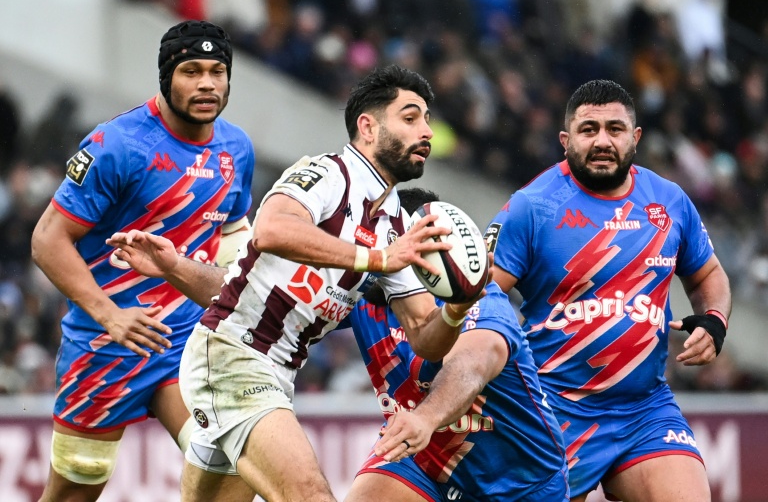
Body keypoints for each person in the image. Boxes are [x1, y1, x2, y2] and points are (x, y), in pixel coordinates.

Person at [106, 64, 489, 502]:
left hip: (277, 373)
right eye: (410, 117)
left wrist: (457, 307)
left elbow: (425, 336)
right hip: (232, 356)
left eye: (426, 120)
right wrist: (379, 258)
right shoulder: (328, 174)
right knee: (311, 495)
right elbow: (271, 230)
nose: (427, 132)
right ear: (368, 126)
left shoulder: (398, 223)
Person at [30, 20, 256, 502]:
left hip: (187, 344)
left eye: (218, 72)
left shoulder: (236, 148)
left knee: (230, 465)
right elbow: (47, 239)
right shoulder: (117, 144)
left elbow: (234, 234)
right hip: (107, 342)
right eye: (191, 71)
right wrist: (109, 314)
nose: (207, 84)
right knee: (78, 480)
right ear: (166, 76)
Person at [486, 79, 731, 502]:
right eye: (588, 130)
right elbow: (480, 295)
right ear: (566, 141)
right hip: (554, 410)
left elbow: (709, 274)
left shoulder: (668, 201)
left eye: (615, 129)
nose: (602, 141)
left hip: (646, 409)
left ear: (635, 138)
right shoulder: (532, 206)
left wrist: (714, 320)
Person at [340, 187, 569, 502]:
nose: (368, 245)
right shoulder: (361, 294)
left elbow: (469, 367)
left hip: (520, 484)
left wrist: (425, 418)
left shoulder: (478, 300)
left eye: (380, 236)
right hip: (422, 466)